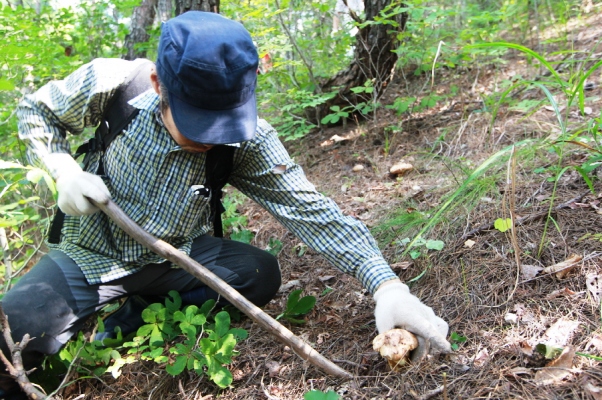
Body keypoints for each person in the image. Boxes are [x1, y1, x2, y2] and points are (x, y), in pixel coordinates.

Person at [2, 11, 450, 398]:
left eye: (226, 123)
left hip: (177, 255)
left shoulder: (248, 139)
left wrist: (387, 286)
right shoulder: (114, 84)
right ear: (159, 84)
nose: (215, 137)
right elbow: (35, 112)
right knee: (10, 327)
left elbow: (313, 212)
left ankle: (126, 324)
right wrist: (61, 167)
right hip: (91, 256)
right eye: (199, 123)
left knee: (258, 273)